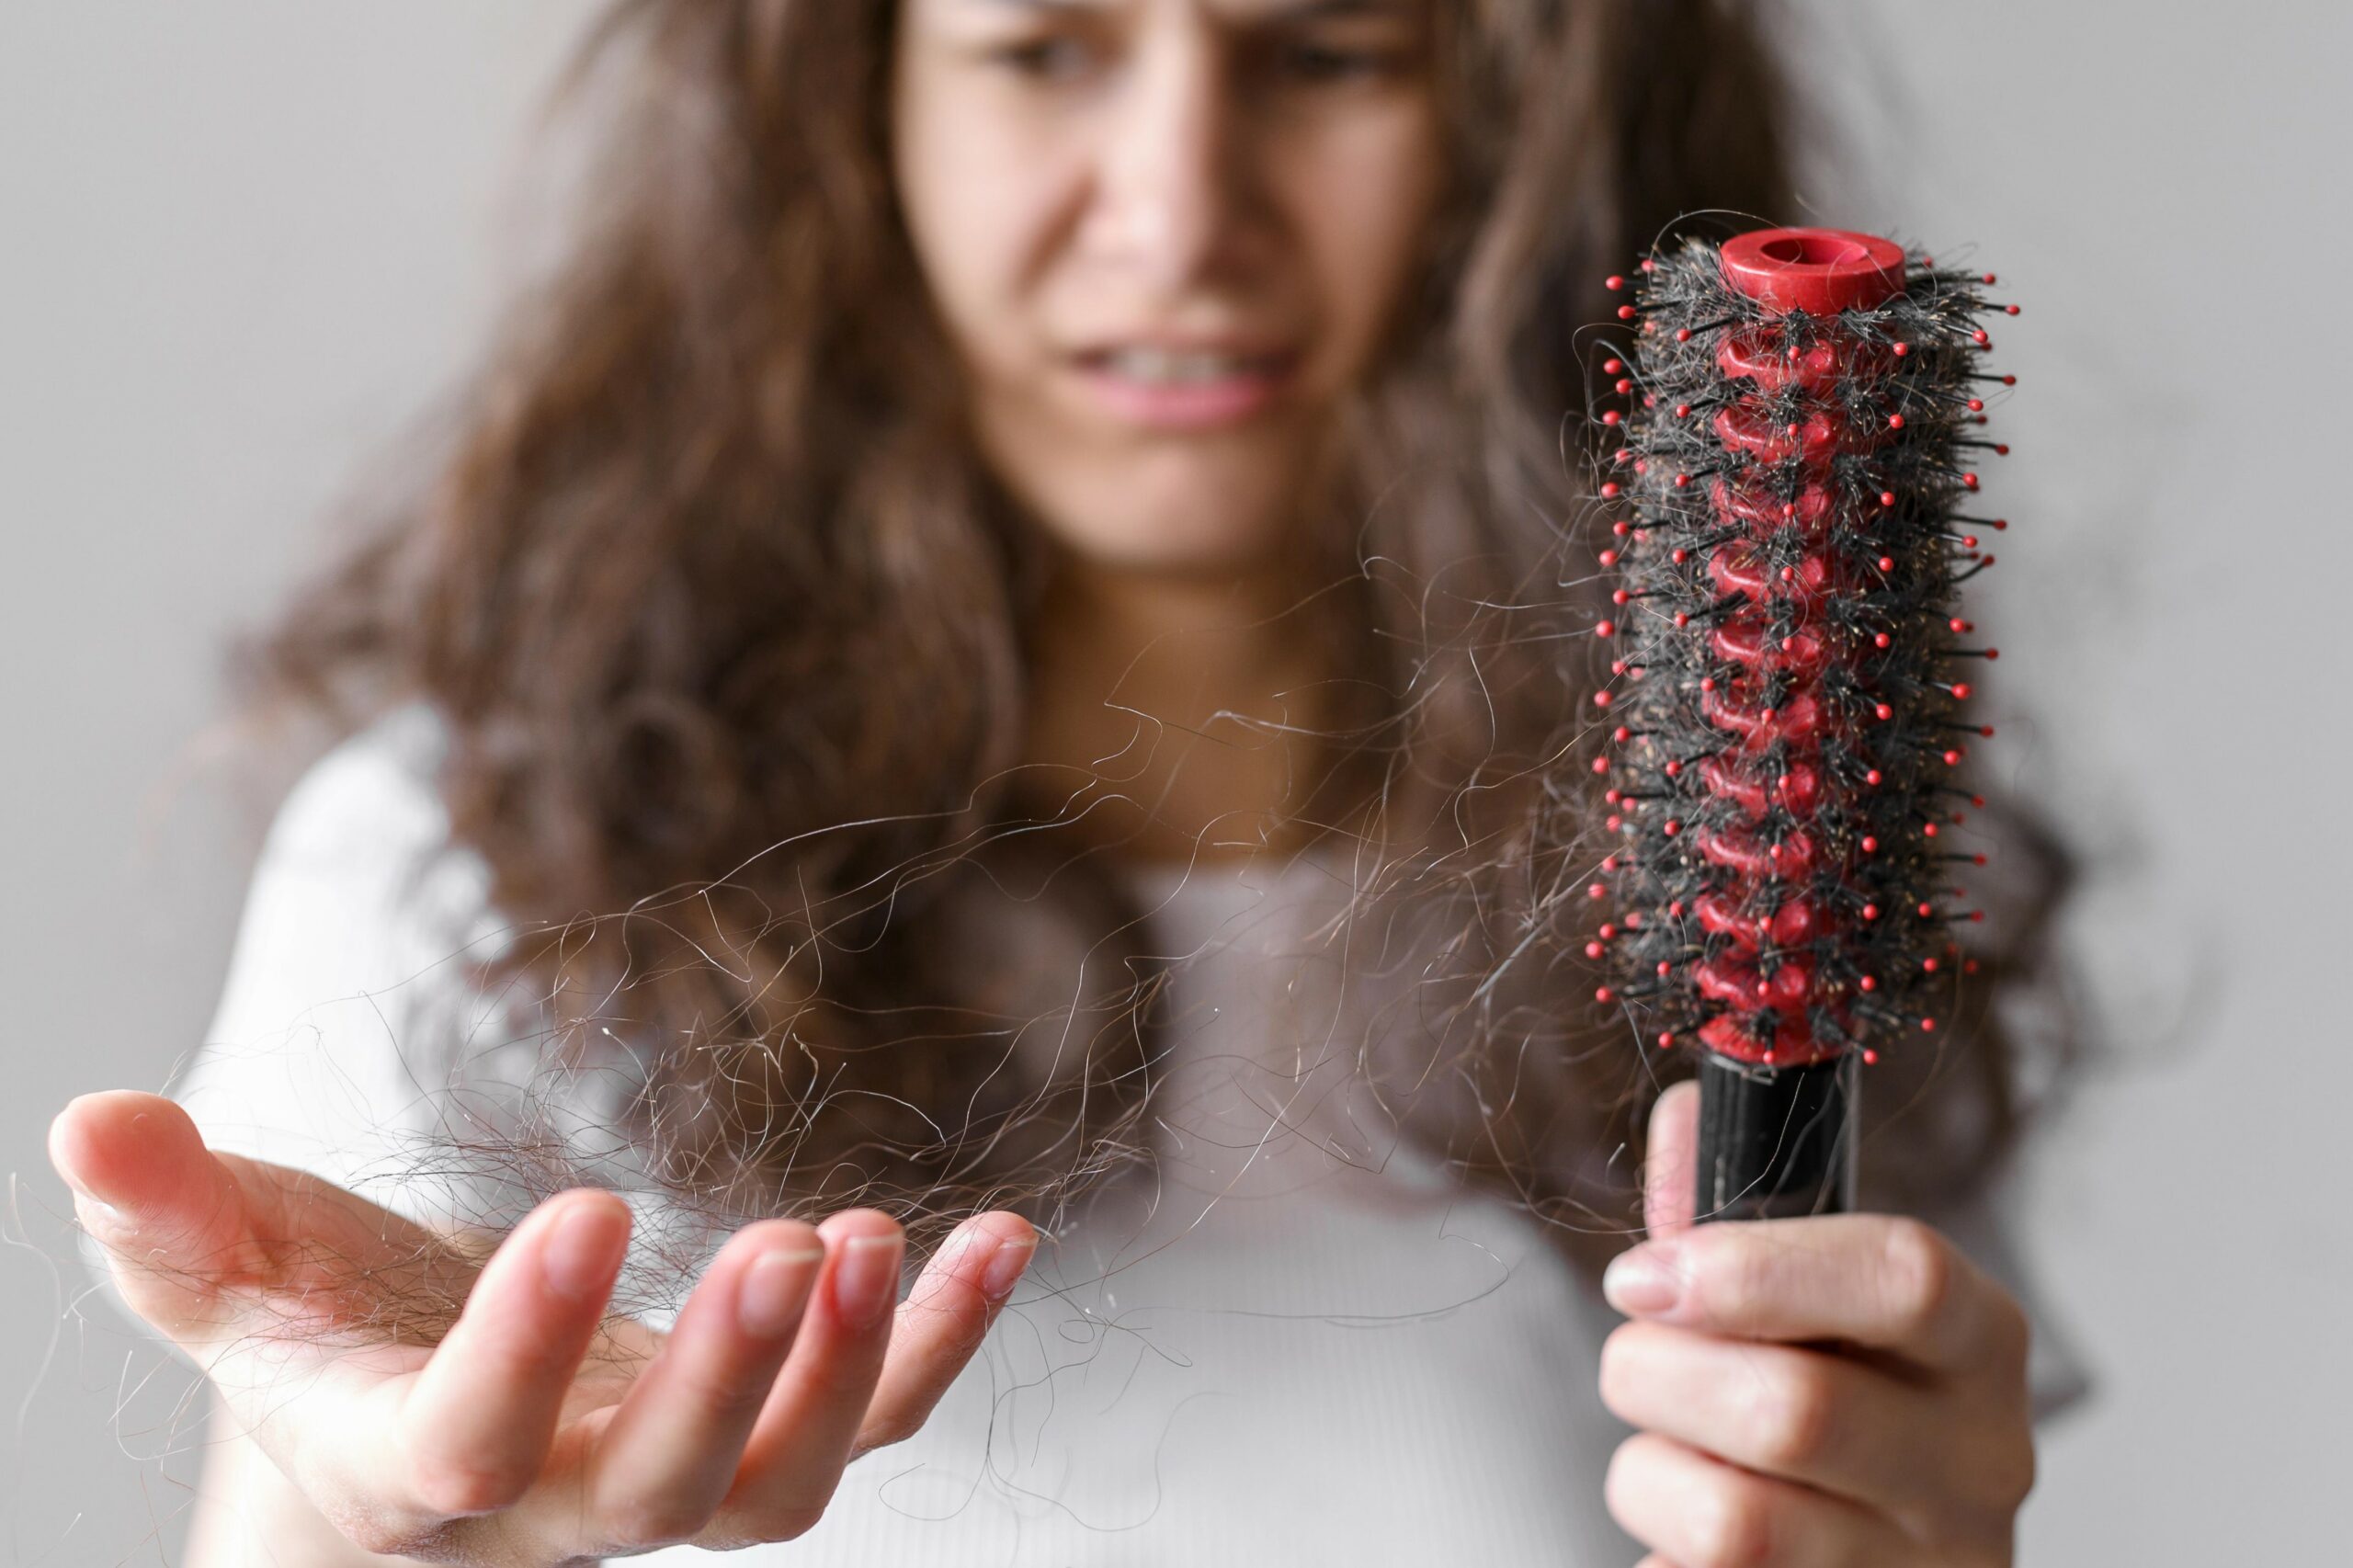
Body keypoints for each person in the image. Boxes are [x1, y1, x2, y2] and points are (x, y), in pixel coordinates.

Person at [49, 3, 2071, 1562]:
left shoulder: (1766, 898)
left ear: (1523, 114)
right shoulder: (467, 875)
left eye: (1323, 52)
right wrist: (376, 1518)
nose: (1178, 211)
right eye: (1038, 49)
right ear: (856, 111)